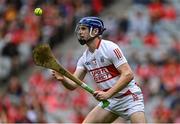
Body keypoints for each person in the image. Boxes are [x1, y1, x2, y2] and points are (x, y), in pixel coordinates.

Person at [52, 16, 146, 123]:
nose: (80, 32)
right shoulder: (84, 59)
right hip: (110, 101)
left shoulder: (110, 48)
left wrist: (108, 94)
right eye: (79, 29)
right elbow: (73, 84)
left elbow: (128, 74)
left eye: (83, 29)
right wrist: (62, 79)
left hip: (129, 97)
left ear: (95, 31)